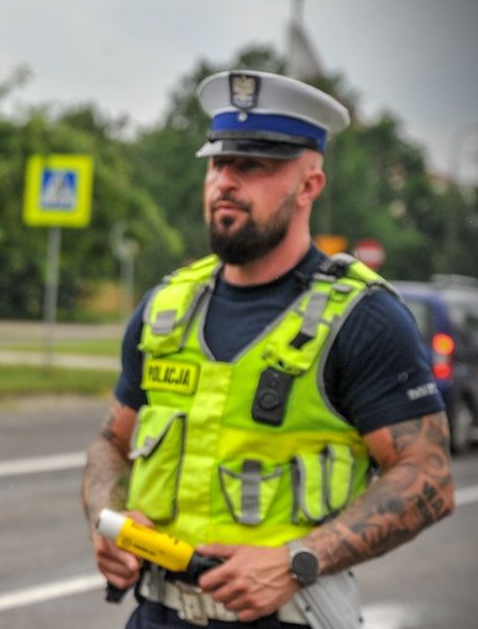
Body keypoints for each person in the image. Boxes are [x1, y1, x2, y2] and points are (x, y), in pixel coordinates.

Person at [81, 71, 455, 629]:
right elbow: (111, 443)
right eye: (218, 163)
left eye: (253, 166)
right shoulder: (165, 308)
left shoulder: (363, 318)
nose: (225, 182)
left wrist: (299, 559)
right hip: (157, 615)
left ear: (309, 185)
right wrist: (108, 519)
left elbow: (429, 476)